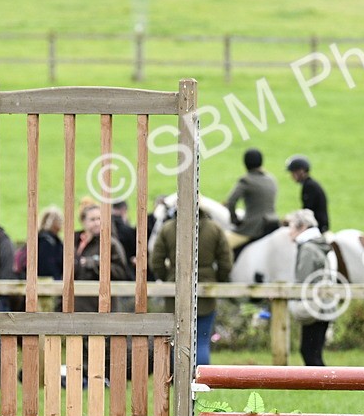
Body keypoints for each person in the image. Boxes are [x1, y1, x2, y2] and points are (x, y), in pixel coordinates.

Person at [151, 206, 232, 365]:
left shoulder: (167, 229)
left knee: (177, 341)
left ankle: (177, 383)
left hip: (175, 288)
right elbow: (226, 262)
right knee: (201, 340)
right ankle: (201, 380)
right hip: (206, 289)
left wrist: (167, 277)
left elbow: (156, 261)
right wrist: (216, 279)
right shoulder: (214, 228)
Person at [286, 209, 333, 366]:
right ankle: (325, 387)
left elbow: (303, 281)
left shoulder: (307, 249)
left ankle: (326, 386)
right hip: (324, 305)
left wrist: (286, 294)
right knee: (313, 352)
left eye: (292, 227)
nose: (289, 232)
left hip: (315, 308)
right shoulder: (317, 244)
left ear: (302, 227)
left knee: (309, 352)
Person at [72, 200, 131, 313]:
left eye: (99, 219)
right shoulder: (74, 241)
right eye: (92, 219)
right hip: (77, 304)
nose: (97, 223)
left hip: (101, 305)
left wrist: (93, 264)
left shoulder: (110, 244)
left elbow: (121, 271)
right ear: (83, 221)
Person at [225, 148, 279, 250]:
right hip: (273, 222)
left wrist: (235, 220)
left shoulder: (246, 180)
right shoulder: (271, 179)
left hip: (254, 227)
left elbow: (231, 201)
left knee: (221, 245)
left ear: (245, 163)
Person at [286, 155, 329, 233]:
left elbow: (307, 210)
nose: (292, 176)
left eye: (293, 172)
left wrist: (292, 218)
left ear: (301, 171)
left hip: (318, 228)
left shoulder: (309, 186)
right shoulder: (309, 184)